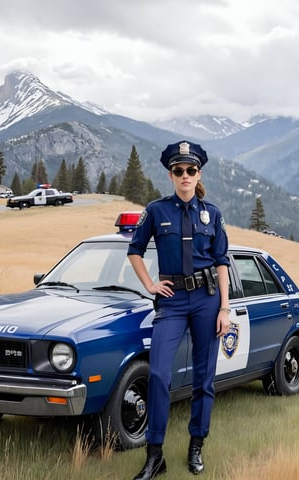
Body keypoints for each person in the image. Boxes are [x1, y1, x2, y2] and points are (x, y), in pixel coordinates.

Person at [127, 140, 230, 478]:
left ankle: (196, 445)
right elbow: (135, 250)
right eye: (178, 170)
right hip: (171, 300)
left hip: (206, 299)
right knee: (157, 373)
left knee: (204, 378)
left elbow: (221, 264)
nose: (185, 175)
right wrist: (150, 285)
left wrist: (224, 309)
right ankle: (155, 455)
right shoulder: (156, 211)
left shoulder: (212, 214)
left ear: (198, 173)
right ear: (170, 175)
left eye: (191, 170)